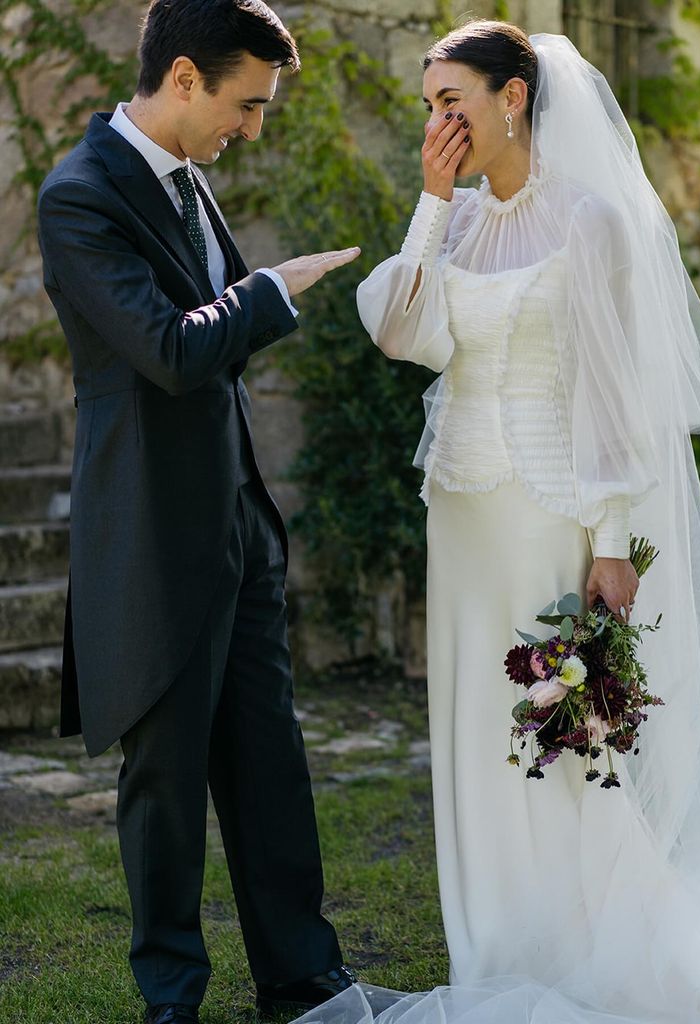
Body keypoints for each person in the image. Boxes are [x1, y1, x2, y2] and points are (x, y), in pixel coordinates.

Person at [293, 20, 700, 1024]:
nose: (439, 121)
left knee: (562, 737)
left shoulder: (591, 220)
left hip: (551, 509)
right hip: (464, 510)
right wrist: (431, 203)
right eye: (428, 106)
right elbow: (405, 334)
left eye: (454, 100)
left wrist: (613, 541)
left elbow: (617, 392)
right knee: (473, 731)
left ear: (514, 99)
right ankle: (499, 943)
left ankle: (592, 939)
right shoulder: (456, 219)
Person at [36, 1, 359, 1021]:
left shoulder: (192, 183)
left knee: (270, 768)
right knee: (166, 788)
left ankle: (304, 981)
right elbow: (171, 349)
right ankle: (172, 999)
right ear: (183, 78)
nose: (253, 128)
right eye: (245, 105)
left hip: (239, 528)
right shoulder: (79, 197)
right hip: (151, 537)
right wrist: (269, 292)